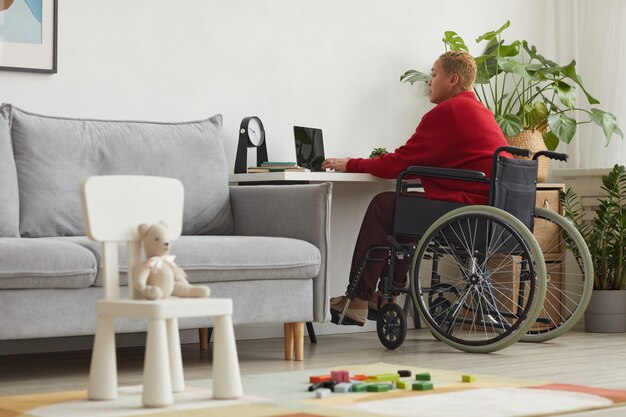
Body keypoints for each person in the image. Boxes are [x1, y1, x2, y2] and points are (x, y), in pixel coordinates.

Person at [322, 50, 509, 326]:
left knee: (385, 206)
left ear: (453, 79)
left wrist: (351, 163)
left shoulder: (449, 112)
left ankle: (360, 299)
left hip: (468, 214)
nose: (429, 82)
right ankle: (387, 296)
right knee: (406, 208)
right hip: (489, 212)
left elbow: (401, 162)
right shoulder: (480, 112)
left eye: (434, 75)